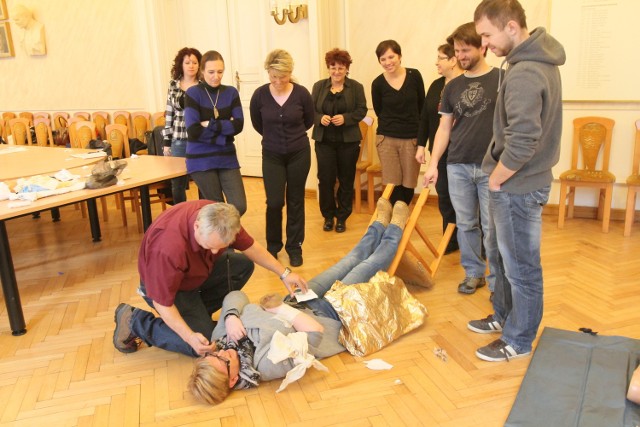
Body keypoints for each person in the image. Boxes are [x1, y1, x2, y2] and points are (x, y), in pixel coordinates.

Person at [187, 198, 410, 404]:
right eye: (224, 361)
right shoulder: (266, 365)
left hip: (299, 301)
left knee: (348, 260)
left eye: (215, 355)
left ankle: (378, 226)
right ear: (233, 379)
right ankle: (395, 230)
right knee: (366, 266)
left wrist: (232, 315)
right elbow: (314, 332)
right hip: (329, 314)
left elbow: (235, 296)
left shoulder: (221, 341)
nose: (223, 352)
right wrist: (280, 309)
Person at [468, 0, 565, 362]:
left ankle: (519, 340)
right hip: (518, 183)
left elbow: (524, 139)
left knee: (521, 266)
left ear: (511, 27)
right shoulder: (534, 61)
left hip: (517, 186)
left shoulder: (525, 72)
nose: (485, 44)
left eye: (487, 35)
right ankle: (504, 316)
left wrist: (496, 179)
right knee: (503, 259)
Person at [112, 200, 308, 358]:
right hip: (167, 290)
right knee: (204, 342)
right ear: (197, 226)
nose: (215, 252)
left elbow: (251, 247)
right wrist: (189, 336)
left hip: (194, 273)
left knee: (243, 265)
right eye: (209, 246)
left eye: (220, 247)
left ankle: (195, 315)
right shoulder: (167, 249)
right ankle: (134, 321)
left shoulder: (221, 218)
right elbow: (162, 303)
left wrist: (284, 273)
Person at [422, 23, 501, 296]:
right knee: (466, 223)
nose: (460, 56)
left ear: (483, 47)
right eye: (456, 51)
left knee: (491, 228)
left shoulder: (502, 79)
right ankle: (473, 273)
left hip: (491, 167)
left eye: (465, 50)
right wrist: (433, 164)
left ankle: (496, 280)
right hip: (457, 165)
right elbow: (444, 128)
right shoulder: (452, 86)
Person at [249, 49, 314, 267]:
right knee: (275, 201)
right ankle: (273, 247)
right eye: (273, 76)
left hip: (299, 153)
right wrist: (275, 138)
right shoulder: (259, 95)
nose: (278, 81)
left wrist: (291, 137)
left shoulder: (302, 94)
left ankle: (294, 247)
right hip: (272, 155)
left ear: (290, 72)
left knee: (296, 200)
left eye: (282, 76)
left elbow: (309, 121)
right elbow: (258, 124)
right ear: (268, 72)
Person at [311, 48, 368, 233]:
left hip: (348, 142)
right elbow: (310, 111)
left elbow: (362, 110)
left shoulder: (356, 87)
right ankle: (328, 216)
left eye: (341, 68)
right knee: (325, 180)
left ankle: (342, 217)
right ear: (328, 68)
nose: (336, 71)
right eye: (333, 67)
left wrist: (347, 118)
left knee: (346, 179)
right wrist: (320, 118)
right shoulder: (319, 86)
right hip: (324, 140)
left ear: (347, 68)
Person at [184, 51, 247, 215]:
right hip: (200, 159)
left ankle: (224, 238)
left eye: (220, 72)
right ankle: (225, 240)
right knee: (218, 209)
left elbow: (239, 125)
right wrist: (224, 133)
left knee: (239, 206)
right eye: (211, 72)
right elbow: (193, 131)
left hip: (226, 156)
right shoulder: (192, 93)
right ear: (202, 72)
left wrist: (210, 124)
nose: (216, 76)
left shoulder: (231, 92)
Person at [416, 43, 463, 255]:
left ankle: (471, 240)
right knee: (444, 195)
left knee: (463, 198)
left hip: (462, 152)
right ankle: (450, 239)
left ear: (453, 60)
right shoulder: (436, 85)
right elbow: (425, 116)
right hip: (440, 151)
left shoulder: (466, 84)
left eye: (441, 58)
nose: (437, 62)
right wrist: (420, 145)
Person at [371, 40, 425, 206]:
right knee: (392, 183)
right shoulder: (378, 83)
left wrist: (422, 140)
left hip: (411, 138)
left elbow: (422, 107)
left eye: (391, 57)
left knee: (409, 182)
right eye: (383, 59)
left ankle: (400, 216)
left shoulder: (414, 75)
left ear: (400, 56)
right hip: (386, 139)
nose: (388, 62)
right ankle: (398, 220)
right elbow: (379, 110)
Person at [162, 47, 202, 205]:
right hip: (178, 140)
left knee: (202, 180)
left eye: (194, 62)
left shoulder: (203, 85)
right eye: (187, 62)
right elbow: (169, 113)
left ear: (199, 65)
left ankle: (202, 215)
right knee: (177, 184)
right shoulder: (173, 85)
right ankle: (180, 216)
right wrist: (166, 142)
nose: (191, 65)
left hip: (199, 140)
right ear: (181, 64)